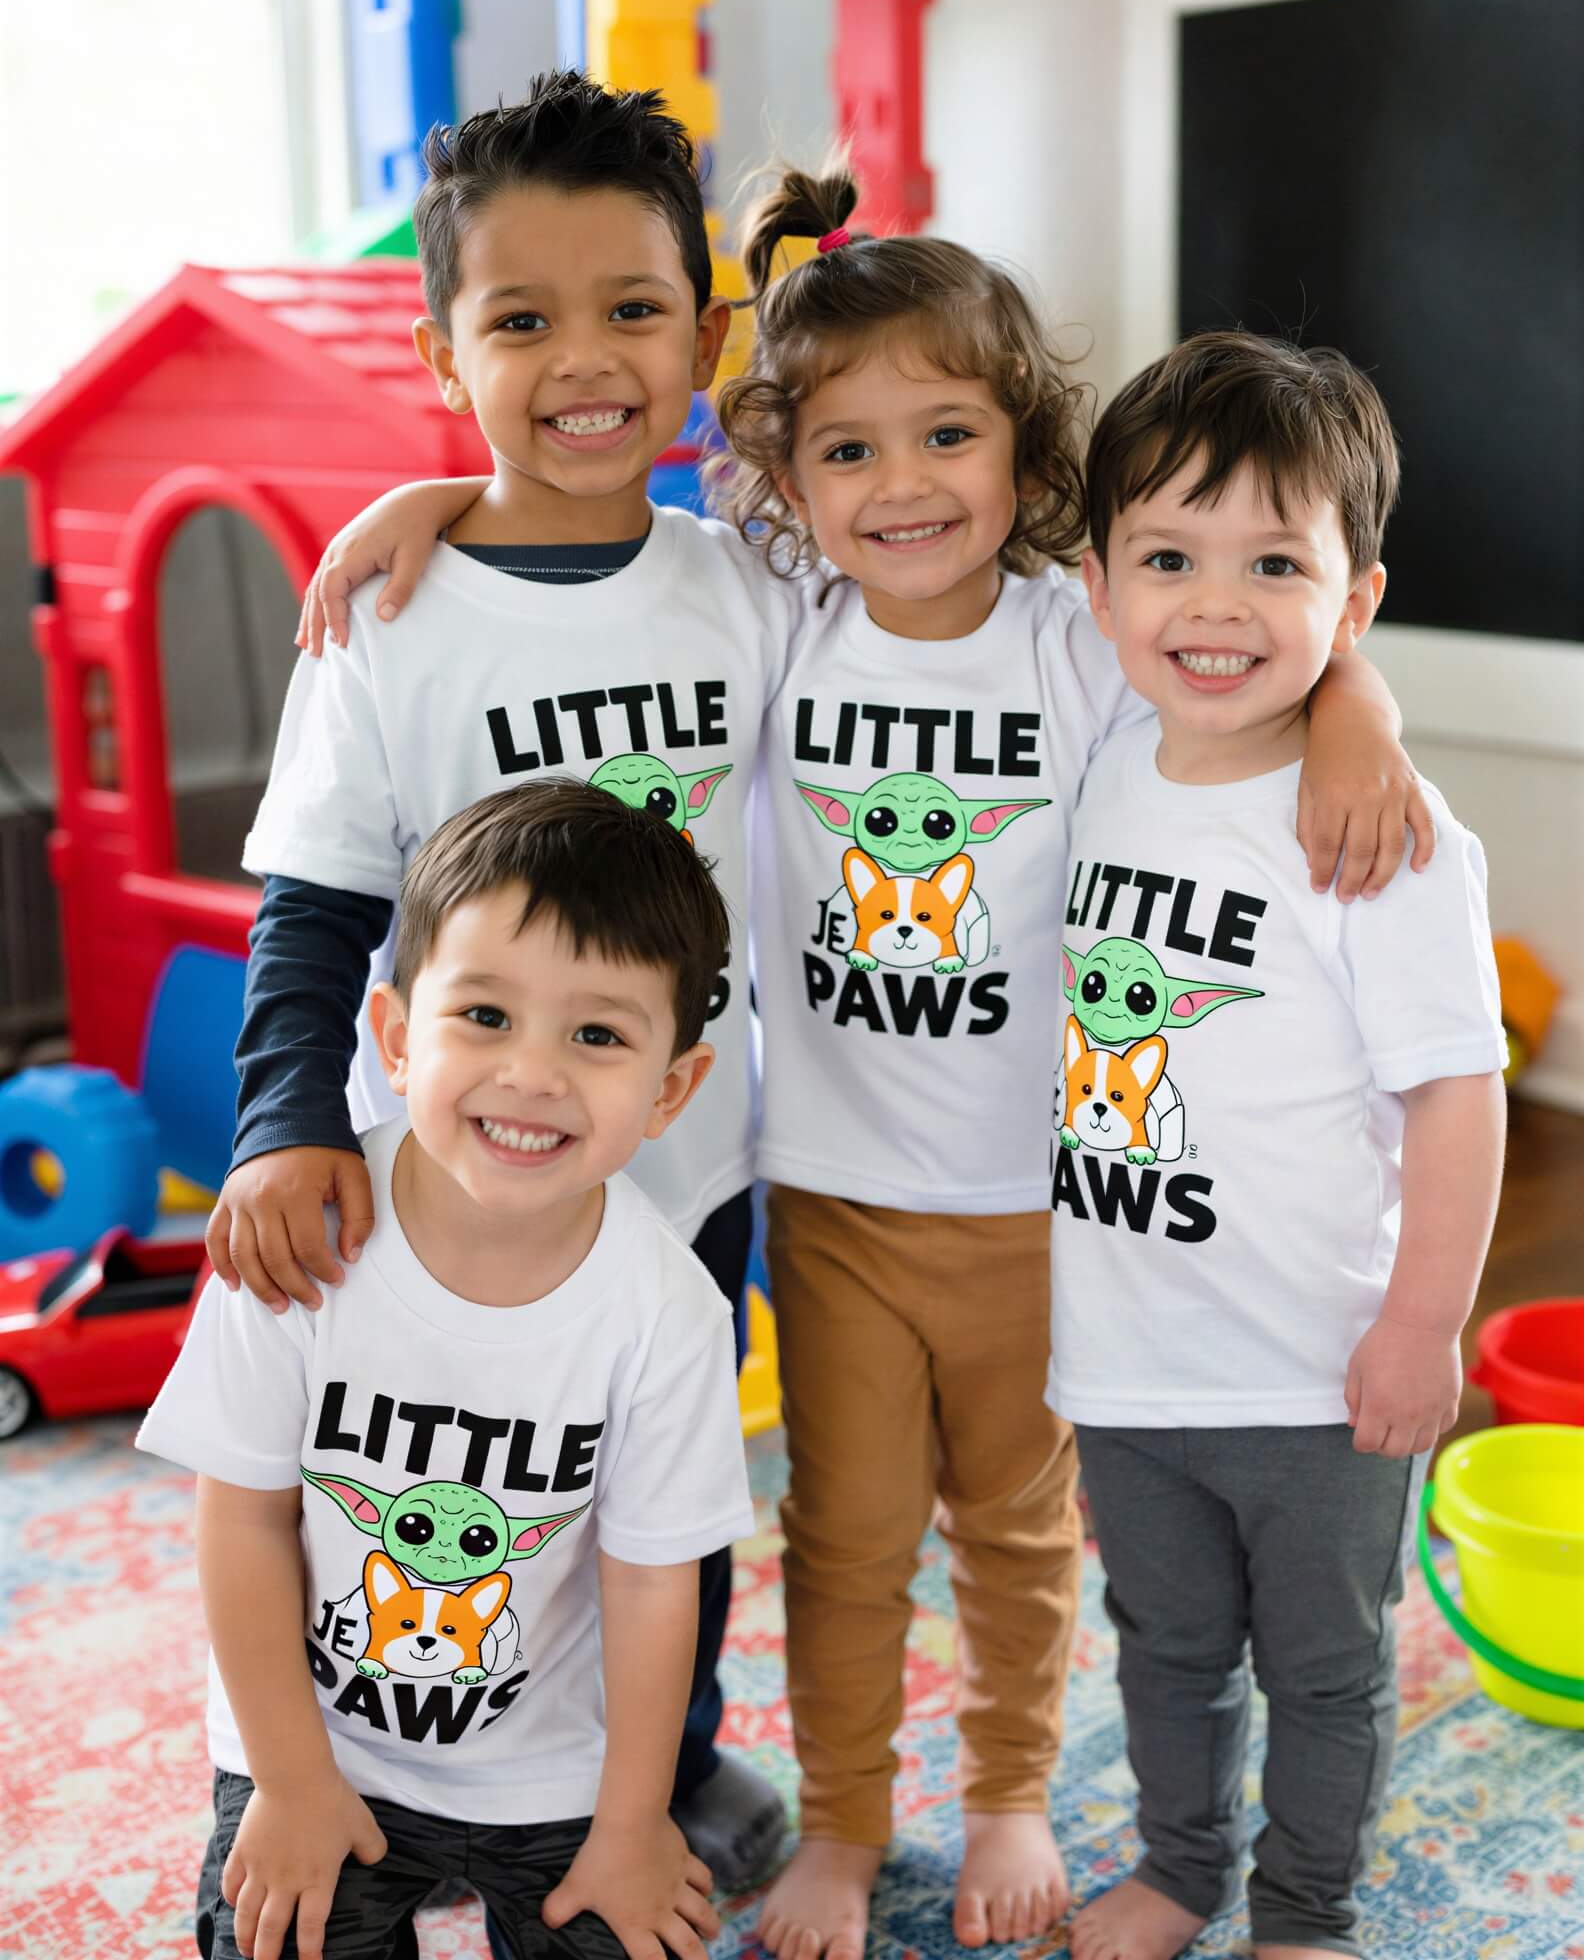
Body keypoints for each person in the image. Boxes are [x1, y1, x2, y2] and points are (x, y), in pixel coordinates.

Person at [292, 167, 1432, 1955]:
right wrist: (431, 497)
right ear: (782, 478)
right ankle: (836, 1819)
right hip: (820, 1191)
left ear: (1024, 451)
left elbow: (1249, 638)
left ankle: (999, 1796)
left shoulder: (1080, 636)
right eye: (844, 453)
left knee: (1019, 1532)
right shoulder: (775, 613)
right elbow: (589, 550)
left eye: (946, 436)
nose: (896, 487)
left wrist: (1355, 695)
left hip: (1039, 1212)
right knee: (835, 1535)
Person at [207, 72, 790, 1889]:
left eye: (631, 309)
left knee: (664, 1500)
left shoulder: (751, 586)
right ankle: (349, 1766)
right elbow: (310, 908)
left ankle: (661, 1768)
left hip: (679, 1172)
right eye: (517, 320)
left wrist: (1349, 693)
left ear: (704, 335)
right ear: (439, 345)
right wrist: (287, 1122)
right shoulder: (386, 611)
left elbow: (989, 591)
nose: (582, 357)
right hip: (444, 1186)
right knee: (428, 1478)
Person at [1051, 331, 1506, 1960]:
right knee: (1159, 1646)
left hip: (1317, 1374)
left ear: (1349, 600)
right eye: (1166, 557)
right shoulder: (1099, 756)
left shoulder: (1379, 834)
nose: (1213, 605)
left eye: (1271, 563)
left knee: (1320, 1664)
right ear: (1097, 584)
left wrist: (1419, 1320)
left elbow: (1456, 1089)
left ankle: (1301, 1910)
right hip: (1124, 1361)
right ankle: (1180, 1868)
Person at [139, 778, 755, 1960]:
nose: (531, 1074)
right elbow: (243, 1523)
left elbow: (650, 1583)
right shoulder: (301, 1242)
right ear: (394, 1035)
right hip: (319, 1748)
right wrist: (289, 1782)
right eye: (484, 1016)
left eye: (597, 1034)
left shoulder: (668, 1308)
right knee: (274, 1936)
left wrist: (632, 1822)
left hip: (549, 1773)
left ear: (671, 1089)